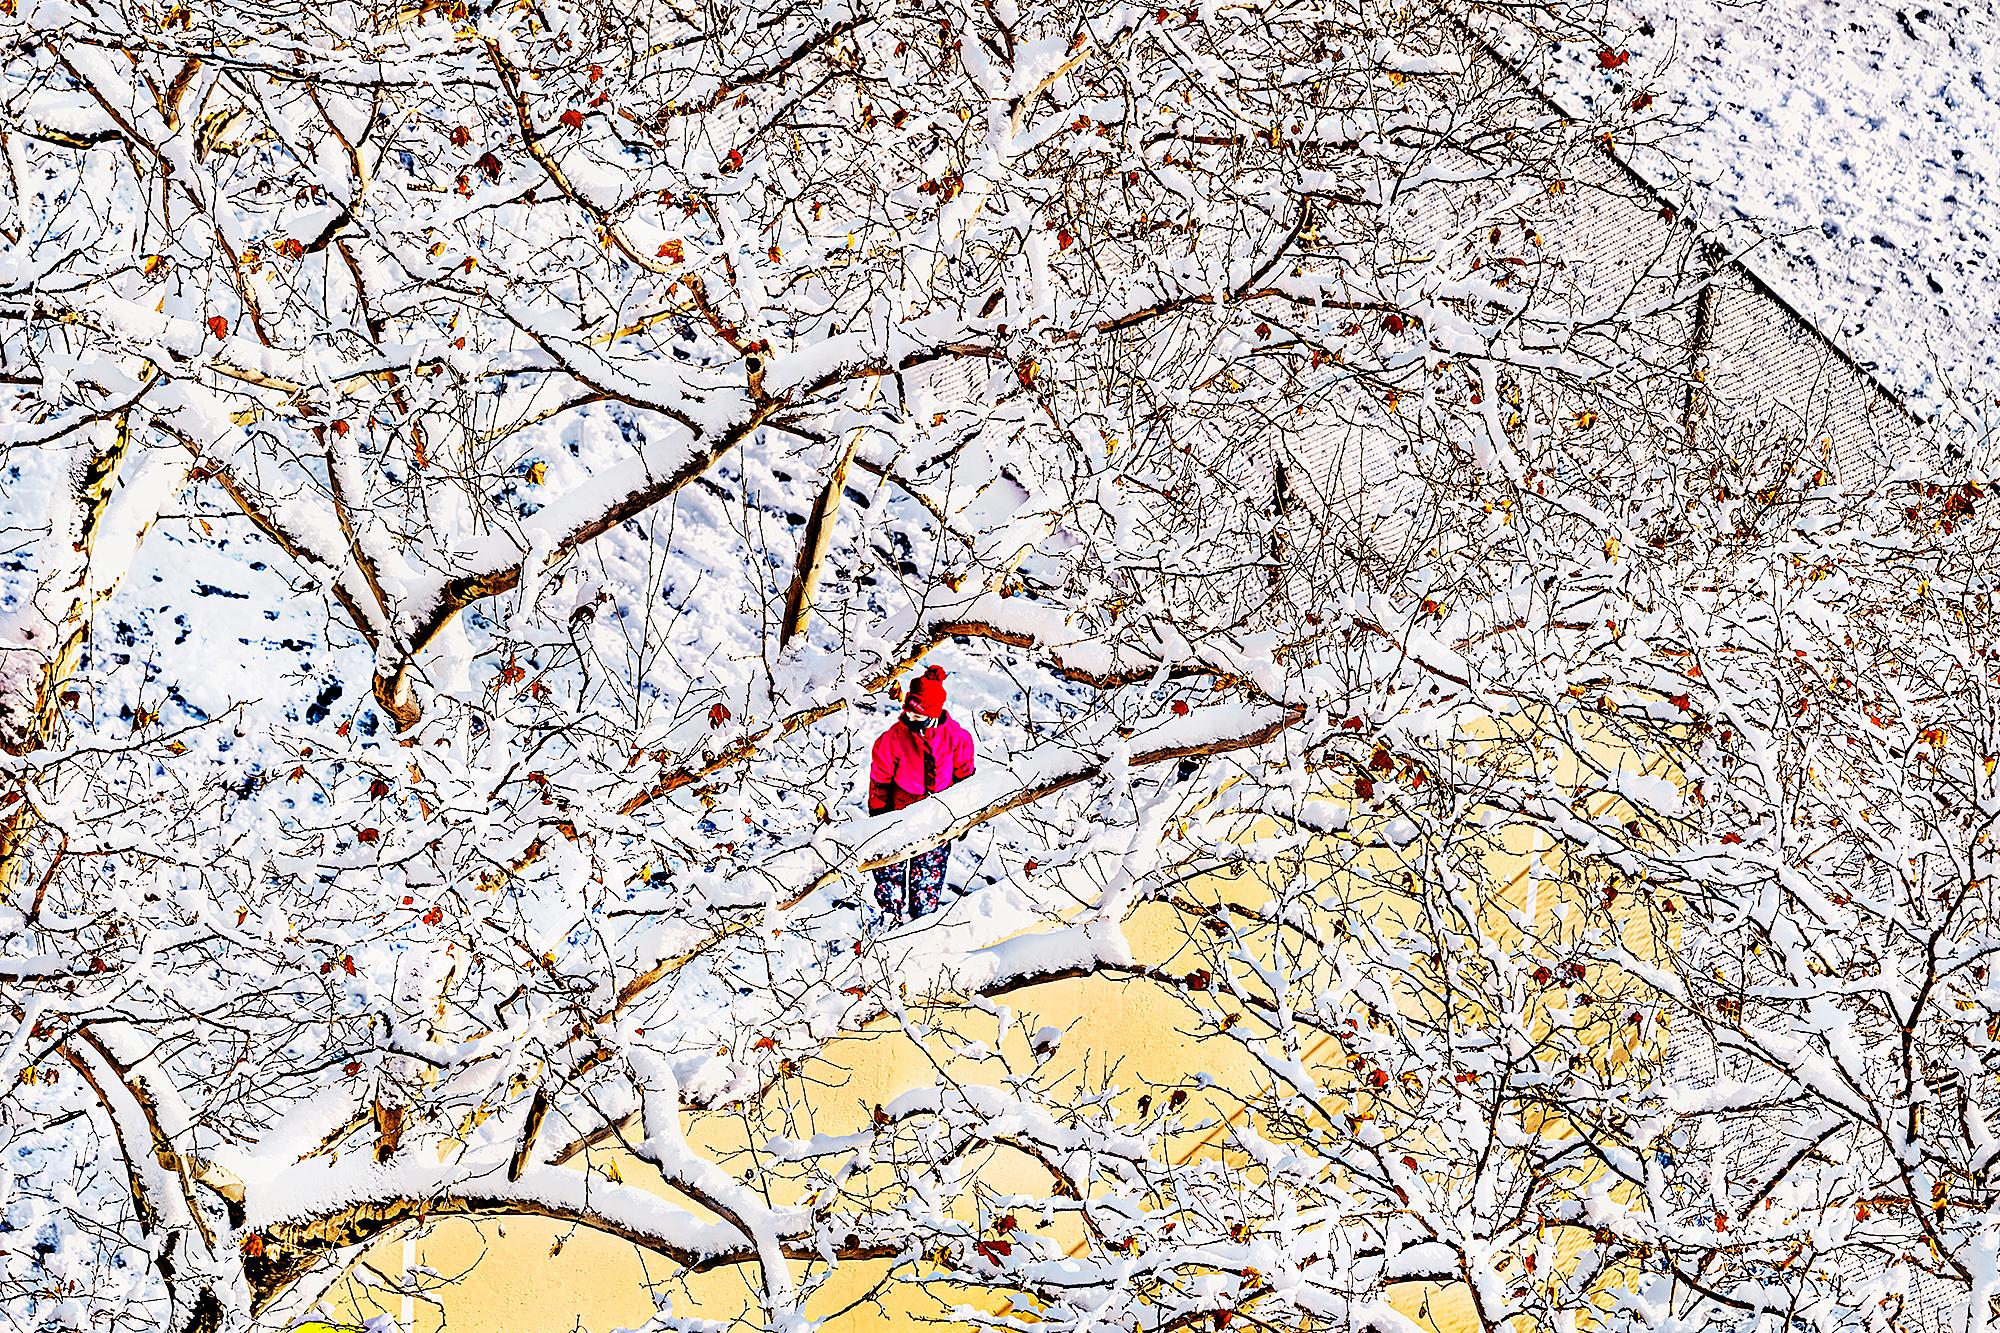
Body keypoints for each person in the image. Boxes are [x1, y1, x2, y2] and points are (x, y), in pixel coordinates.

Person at [867, 665, 975, 922]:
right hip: (898, 814)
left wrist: (963, 817)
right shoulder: (893, 739)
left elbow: (965, 779)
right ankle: (890, 918)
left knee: (928, 875)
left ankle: (922, 922)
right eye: (908, 714)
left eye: (918, 716)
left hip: (937, 818)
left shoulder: (956, 739)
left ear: (935, 714)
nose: (910, 720)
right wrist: (879, 815)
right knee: (889, 869)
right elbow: (879, 781)